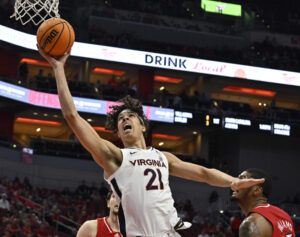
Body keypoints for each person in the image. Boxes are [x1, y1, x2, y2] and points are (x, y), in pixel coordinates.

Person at [37, 47, 265, 237]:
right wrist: (58, 69)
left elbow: (204, 173)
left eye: (130, 116)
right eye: (120, 120)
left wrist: (232, 182)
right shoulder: (116, 157)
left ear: (143, 126)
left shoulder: (162, 157)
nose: (125, 119)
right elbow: (72, 117)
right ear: (118, 132)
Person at [232, 168, 296, 237]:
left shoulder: (250, 223)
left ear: (256, 190)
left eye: (242, 180)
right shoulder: (284, 215)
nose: (236, 184)